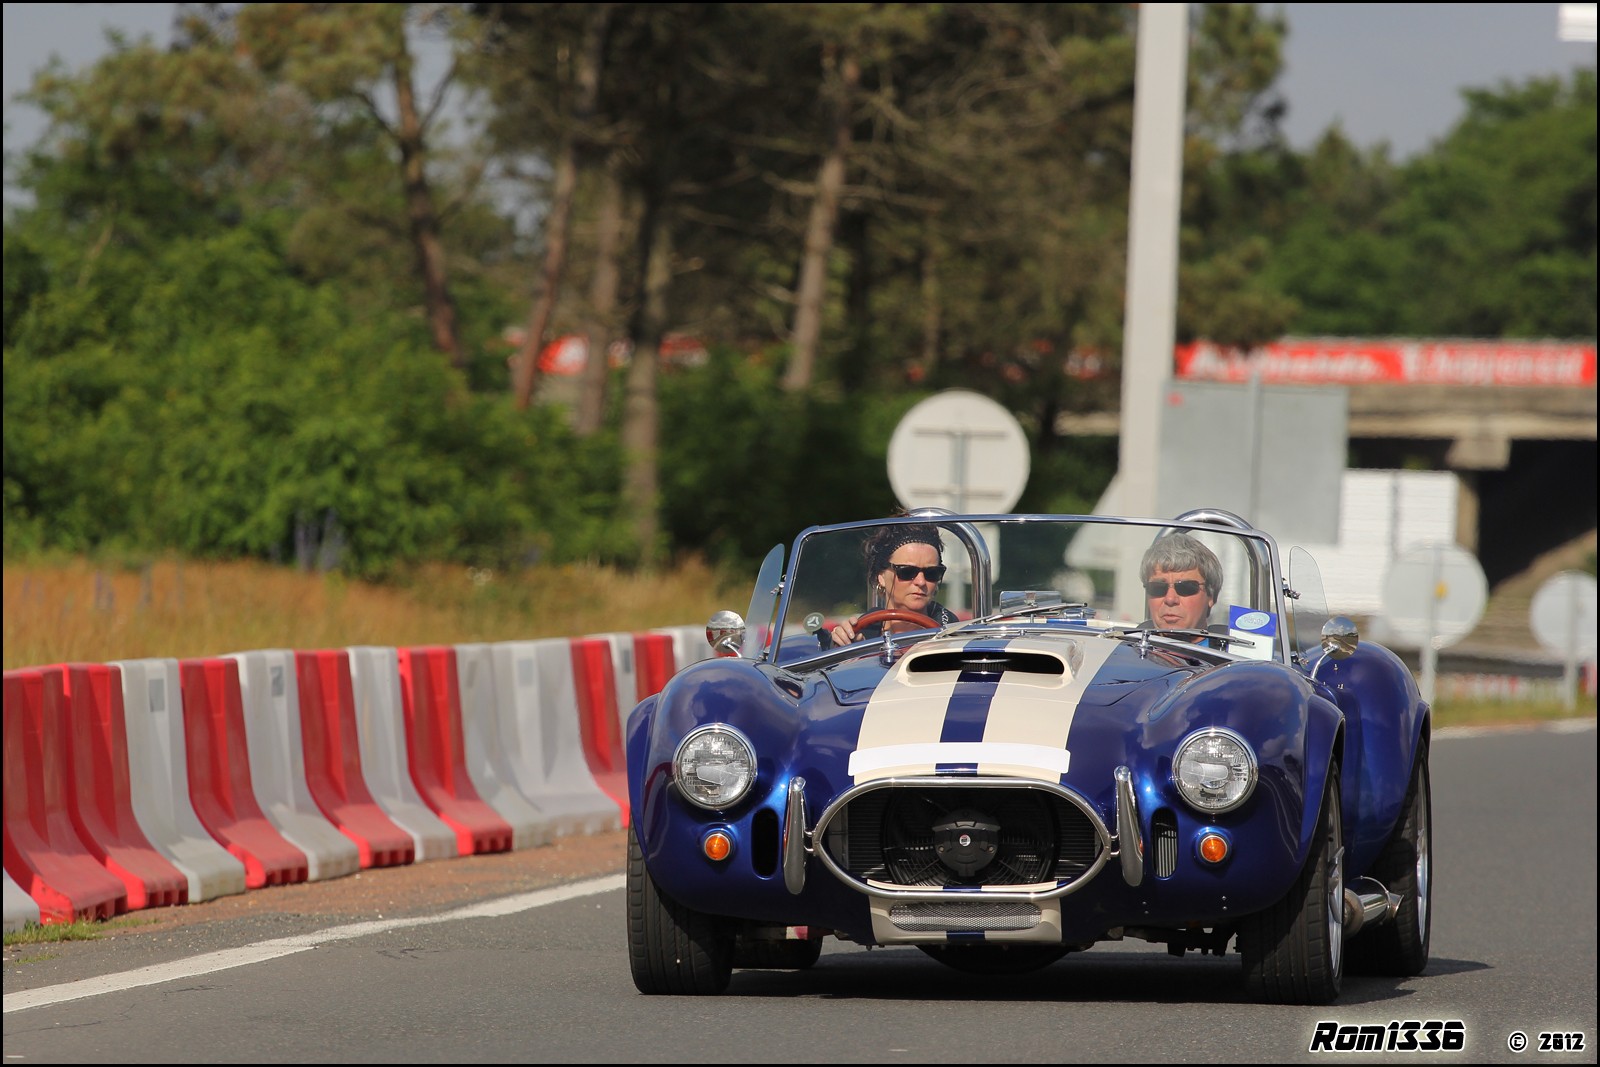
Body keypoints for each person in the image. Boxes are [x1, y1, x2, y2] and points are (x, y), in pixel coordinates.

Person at [822, 521, 960, 648]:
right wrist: (846, 646)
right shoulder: (862, 631)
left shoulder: (953, 632)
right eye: (907, 571)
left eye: (932, 573)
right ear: (881, 576)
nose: (921, 582)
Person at [1140, 532, 1221, 635]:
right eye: (1157, 588)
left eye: (1185, 587)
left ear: (1211, 595)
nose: (1170, 599)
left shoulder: (1233, 645)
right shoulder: (1129, 644)